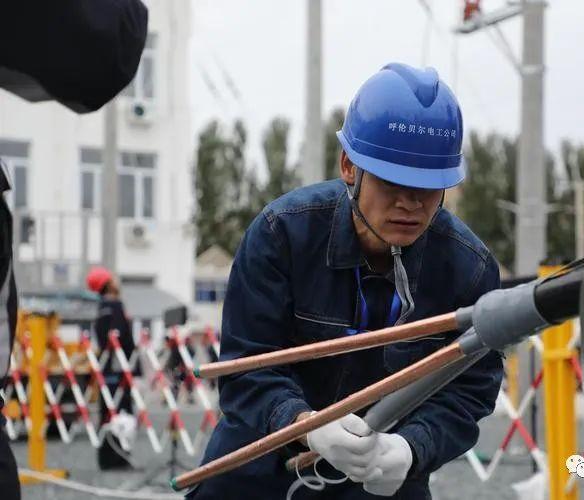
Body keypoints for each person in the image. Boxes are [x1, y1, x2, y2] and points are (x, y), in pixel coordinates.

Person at [192, 62, 504, 500]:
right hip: (259, 462)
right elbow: (246, 369)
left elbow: (471, 388)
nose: (410, 203)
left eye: (429, 187)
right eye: (393, 181)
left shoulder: (468, 268)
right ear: (348, 166)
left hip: (380, 473)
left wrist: (412, 448)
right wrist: (305, 425)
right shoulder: (281, 234)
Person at [0, 2, 147, 496]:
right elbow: (104, 44)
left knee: (116, 423)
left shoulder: (113, 313)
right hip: (115, 385)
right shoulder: (116, 312)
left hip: (115, 384)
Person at [86, 266, 137, 470]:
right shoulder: (115, 306)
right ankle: (118, 457)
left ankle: (107, 457)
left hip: (107, 369)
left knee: (107, 412)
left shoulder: (100, 308)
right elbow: (119, 339)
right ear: (108, 283)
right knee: (121, 413)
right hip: (119, 369)